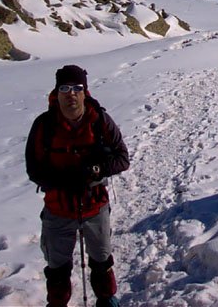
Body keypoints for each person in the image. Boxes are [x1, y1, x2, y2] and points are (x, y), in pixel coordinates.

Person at [26, 65, 130, 307]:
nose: (70, 93)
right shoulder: (44, 125)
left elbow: (122, 158)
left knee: (102, 262)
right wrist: (62, 180)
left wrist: (97, 170)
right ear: (57, 92)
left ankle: (106, 300)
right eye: (64, 88)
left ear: (85, 92)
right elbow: (33, 169)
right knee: (57, 270)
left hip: (94, 206)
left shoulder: (100, 121)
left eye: (76, 88)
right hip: (58, 209)